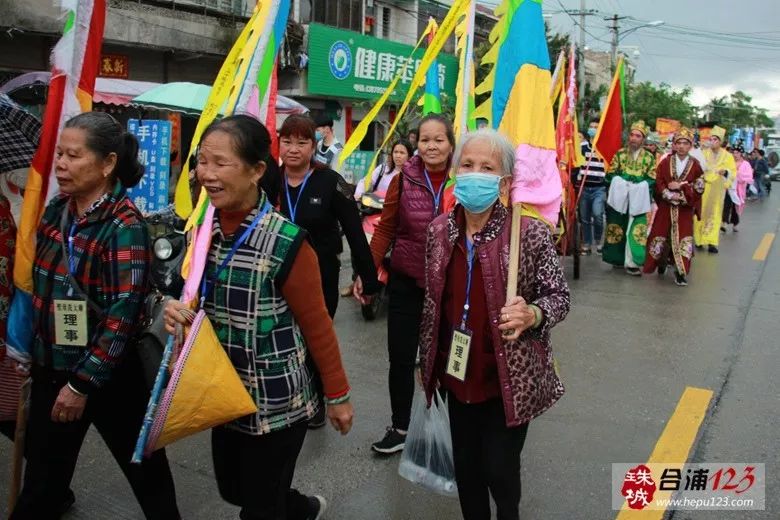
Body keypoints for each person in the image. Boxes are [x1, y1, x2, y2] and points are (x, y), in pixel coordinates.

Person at [164, 115, 354, 520]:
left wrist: (337, 396)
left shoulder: (287, 243)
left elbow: (318, 326)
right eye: (202, 162)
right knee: (236, 489)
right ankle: (300, 508)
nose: (207, 175)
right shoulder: (200, 232)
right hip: (222, 393)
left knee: (257, 508)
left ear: (256, 172)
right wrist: (174, 311)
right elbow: (187, 295)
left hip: (277, 402)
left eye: (221, 163)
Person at [11, 112, 180, 519]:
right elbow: (43, 286)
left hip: (109, 377)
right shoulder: (56, 209)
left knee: (147, 474)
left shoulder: (125, 225)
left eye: (74, 155)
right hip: (52, 367)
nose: (62, 165)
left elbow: (122, 317)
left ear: (107, 164)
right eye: (60, 155)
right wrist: (29, 348)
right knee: (41, 480)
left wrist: (81, 385)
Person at [419, 129, 569, 520]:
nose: (474, 174)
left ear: (503, 182)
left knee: (499, 470)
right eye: (467, 165)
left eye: (487, 167)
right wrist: (426, 363)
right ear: (455, 173)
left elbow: (559, 298)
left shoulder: (530, 233)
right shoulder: (439, 231)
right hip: (457, 372)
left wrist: (532, 313)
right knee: (467, 472)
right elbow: (434, 304)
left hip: (508, 379)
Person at [355, 113, 456, 454]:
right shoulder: (404, 179)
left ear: (451, 143)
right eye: (424, 139)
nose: (430, 145)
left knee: (444, 359)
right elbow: (385, 228)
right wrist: (365, 272)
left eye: (438, 139)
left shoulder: (463, 179)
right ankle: (400, 427)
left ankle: (446, 429)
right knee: (400, 357)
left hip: (450, 286)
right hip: (405, 282)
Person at [342, 139, 413, 297]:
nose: (398, 156)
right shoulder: (382, 170)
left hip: (397, 220)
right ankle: (356, 280)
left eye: (402, 153)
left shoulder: (413, 176)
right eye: (396, 152)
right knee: (359, 248)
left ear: (409, 155)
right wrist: (358, 193)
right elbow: (364, 181)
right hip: (375, 215)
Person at [643, 128, 705, 286]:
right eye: (679, 143)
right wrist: (667, 193)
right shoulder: (665, 162)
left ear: (690, 146)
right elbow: (658, 181)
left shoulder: (695, 165)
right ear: (675, 145)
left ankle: (681, 271)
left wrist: (682, 191)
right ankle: (659, 262)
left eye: (686, 143)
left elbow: (699, 186)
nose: (682, 146)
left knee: (683, 238)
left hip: (684, 209)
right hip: (666, 205)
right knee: (660, 234)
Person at [603, 120, 657, 275]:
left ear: (643, 139)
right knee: (617, 228)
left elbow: (653, 178)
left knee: (636, 231)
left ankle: (633, 262)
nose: (634, 138)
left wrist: (640, 182)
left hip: (638, 200)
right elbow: (610, 175)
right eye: (632, 135)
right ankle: (617, 259)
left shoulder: (649, 158)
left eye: (638, 136)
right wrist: (622, 178)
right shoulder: (620, 154)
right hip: (620, 200)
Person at [694, 126, 735, 253]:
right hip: (704, 187)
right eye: (711, 139)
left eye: (715, 139)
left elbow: (732, 172)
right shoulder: (704, 153)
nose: (712, 141)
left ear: (721, 141)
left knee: (715, 214)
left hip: (717, 188)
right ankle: (699, 240)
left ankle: (712, 242)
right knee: (700, 213)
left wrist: (726, 172)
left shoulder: (727, 156)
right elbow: (696, 167)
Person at [573, 120, 607, 255]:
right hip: (584, 187)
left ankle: (598, 241)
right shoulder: (582, 147)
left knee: (598, 215)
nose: (593, 129)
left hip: (599, 188)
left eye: (596, 127)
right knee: (585, 218)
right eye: (591, 127)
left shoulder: (604, 149)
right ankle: (586, 243)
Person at [722, 146, 753, 232]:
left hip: (739, 189)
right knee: (726, 205)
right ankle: (724, 223)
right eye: (734, 153)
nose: (735, 155)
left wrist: (738, 174)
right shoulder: (729, 163)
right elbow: (725, 172)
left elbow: (749, 176)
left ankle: (735, 224)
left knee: (735, 207)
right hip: (729, 187)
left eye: (737, 153)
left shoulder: (746, 164)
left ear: (741, 154)